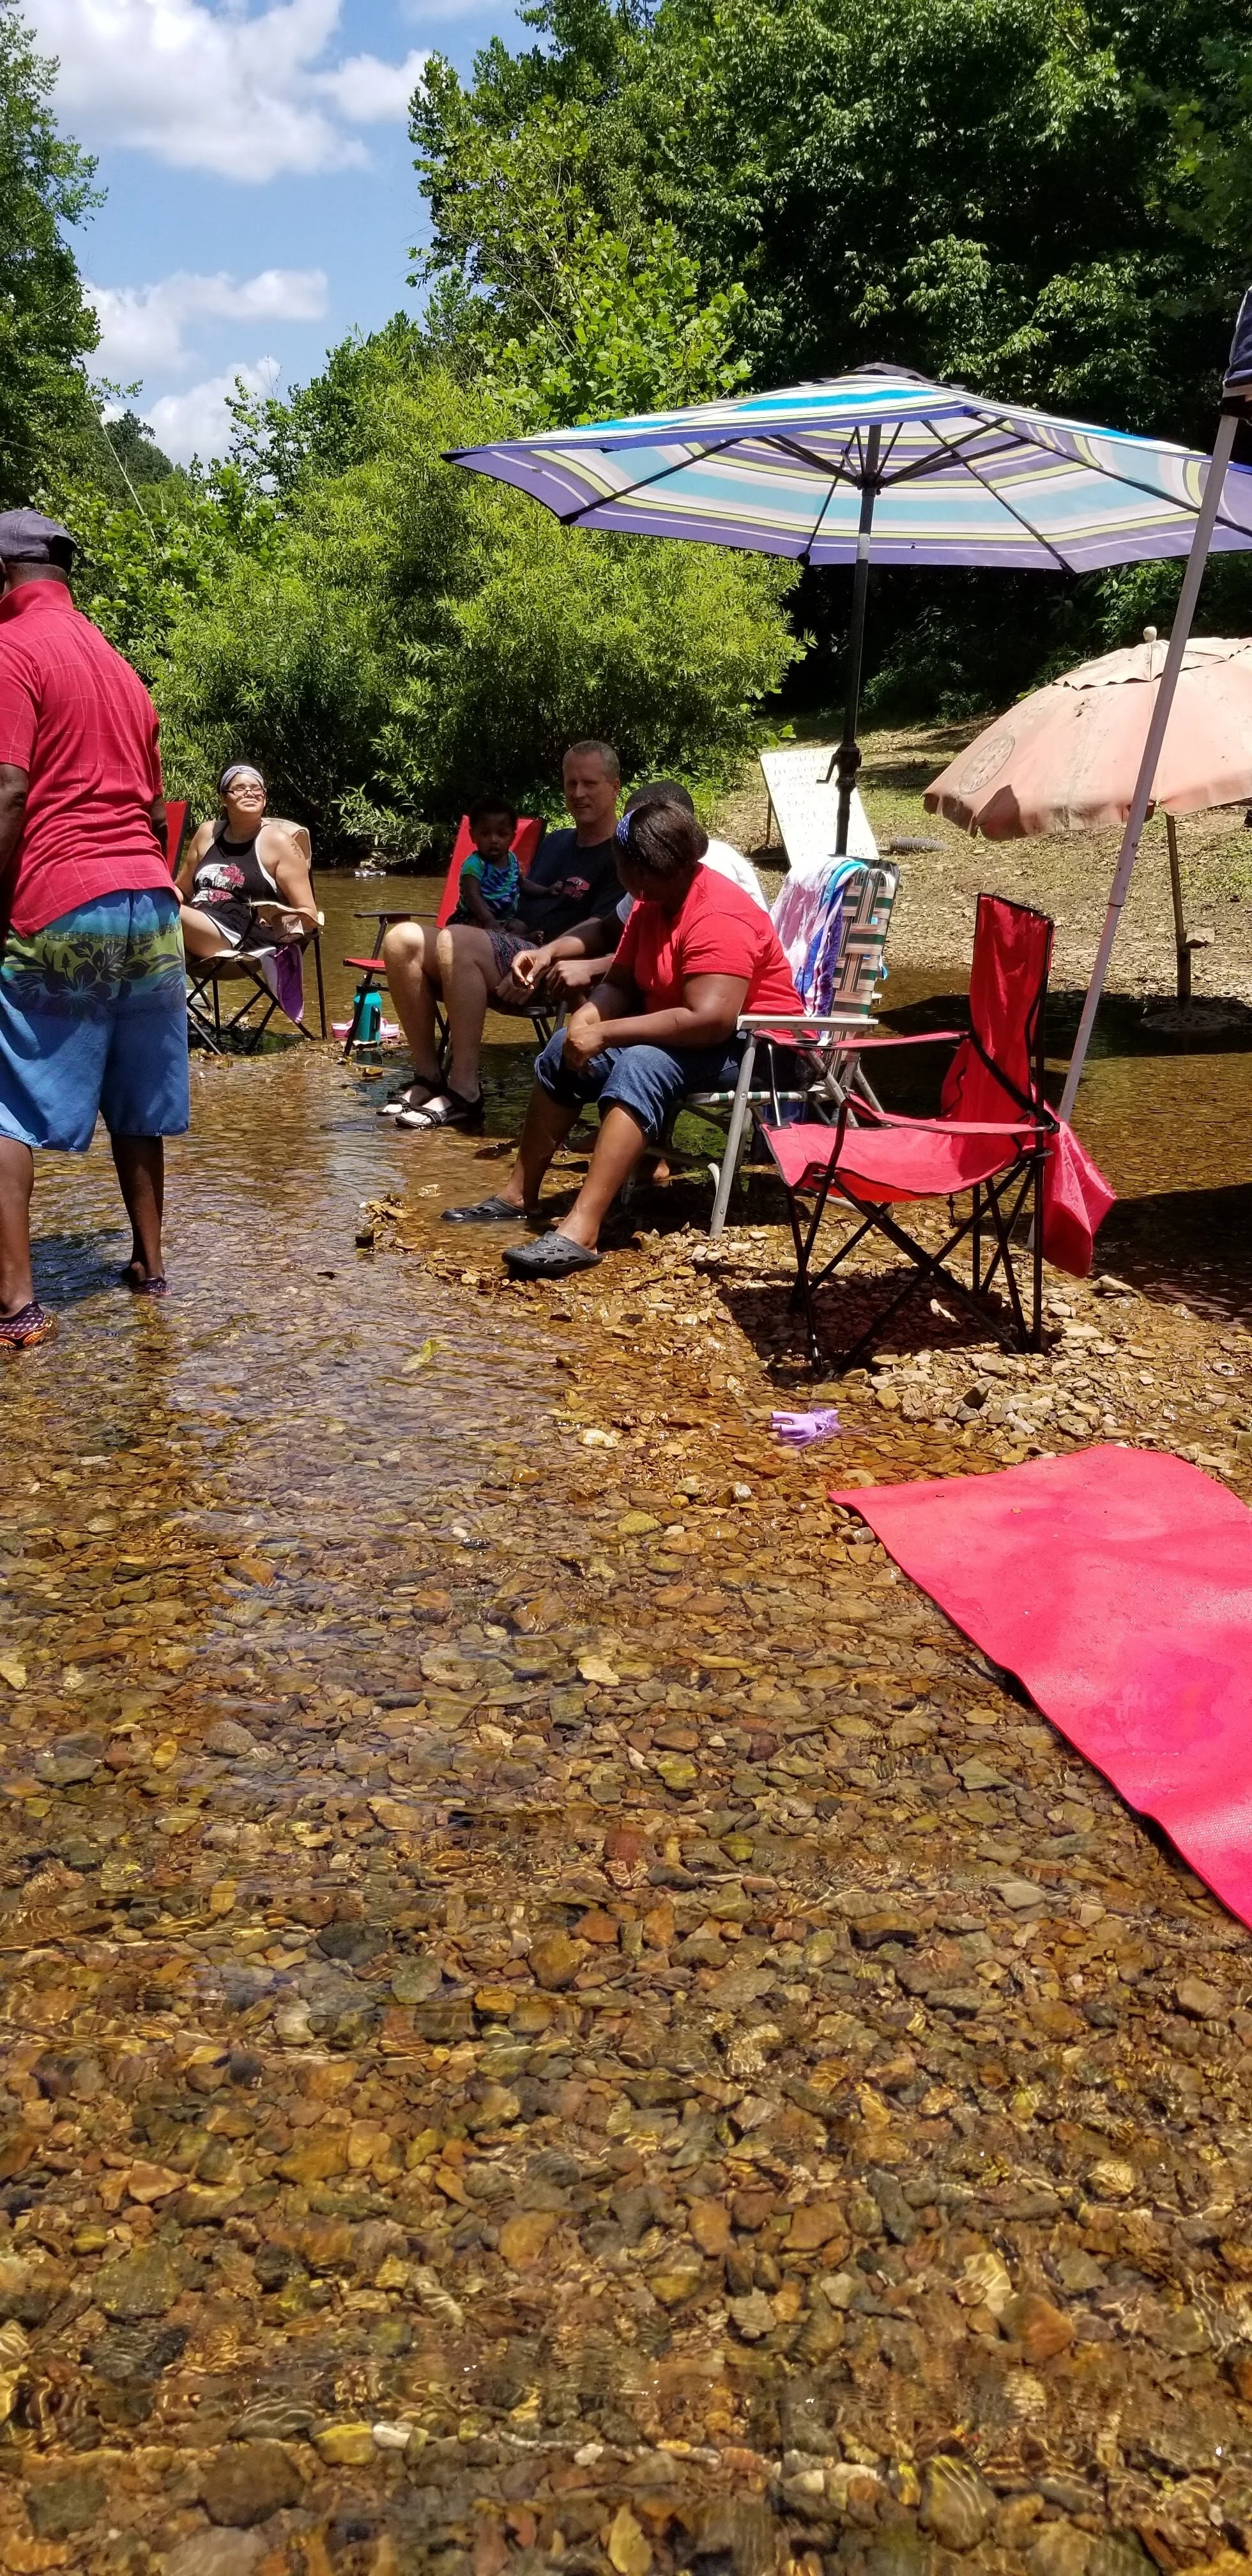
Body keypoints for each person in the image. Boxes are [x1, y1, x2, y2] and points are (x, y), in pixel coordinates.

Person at [441, 797, 803, 1274]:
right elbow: (622, 982)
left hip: (759, 1048)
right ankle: (519, 1195)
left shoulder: (718, 914)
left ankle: (582, 1229)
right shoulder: (652, 904)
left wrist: (605, 1034)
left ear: (643, 869)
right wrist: (589, 1019)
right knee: (560, 1048)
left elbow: (710, 1019)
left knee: (642, 1064)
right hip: (695, 1034)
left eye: (620, 864)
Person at [0, 507, 190, 1343]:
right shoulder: (121, 668)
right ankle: (150, 1266)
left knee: (6, 1101)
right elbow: (150, 807)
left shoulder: (10, 651)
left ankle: (16, 1306)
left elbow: (9, 790)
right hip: (150, 904)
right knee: (137, 1098)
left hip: (63, 897)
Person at [379, 739, 623, 1131]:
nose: (578, 793)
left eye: (590, 783)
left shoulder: (621, 852)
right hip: (513, 947)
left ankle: (465, 1090)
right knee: (401, 939)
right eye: (571, 783)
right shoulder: (556, 841)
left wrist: (542, 957)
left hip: (559, 970)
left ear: (614, 786)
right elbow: (518, 896)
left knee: (457, 939)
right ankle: (428, 1076)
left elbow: (606, 928)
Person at [504, 780, 768, 1009]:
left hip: (730, 1012)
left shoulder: (711, 874)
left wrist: (594, 969)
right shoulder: (654, 881)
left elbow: (688, 981)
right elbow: (605, 930)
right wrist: (549, 952)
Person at [176, 763, 317, 957]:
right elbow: (182, 890)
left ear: (265, 799)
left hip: (243, 935)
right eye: (240, 789)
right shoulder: (208, 833)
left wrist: (276, 916)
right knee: (148, 908)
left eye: (257, 789)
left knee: (166, 914)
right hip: (198, 922)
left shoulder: (279, 843)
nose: (250, 793)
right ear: (223, 799)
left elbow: (309, 913)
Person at [447, 792, 523, 931]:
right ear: (472, 836)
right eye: (485, 834)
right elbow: (472, 896)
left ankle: (517, 938)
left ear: (512, 837)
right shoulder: (474, 864)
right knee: (476, 927)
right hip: (473, 917)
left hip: (502, 921)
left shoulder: (512, 860)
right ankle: (504, 938)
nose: (494, 840)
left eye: (502, 834)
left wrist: (546, 891)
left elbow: (522, 884)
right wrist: (489, 920)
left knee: (520, 926)